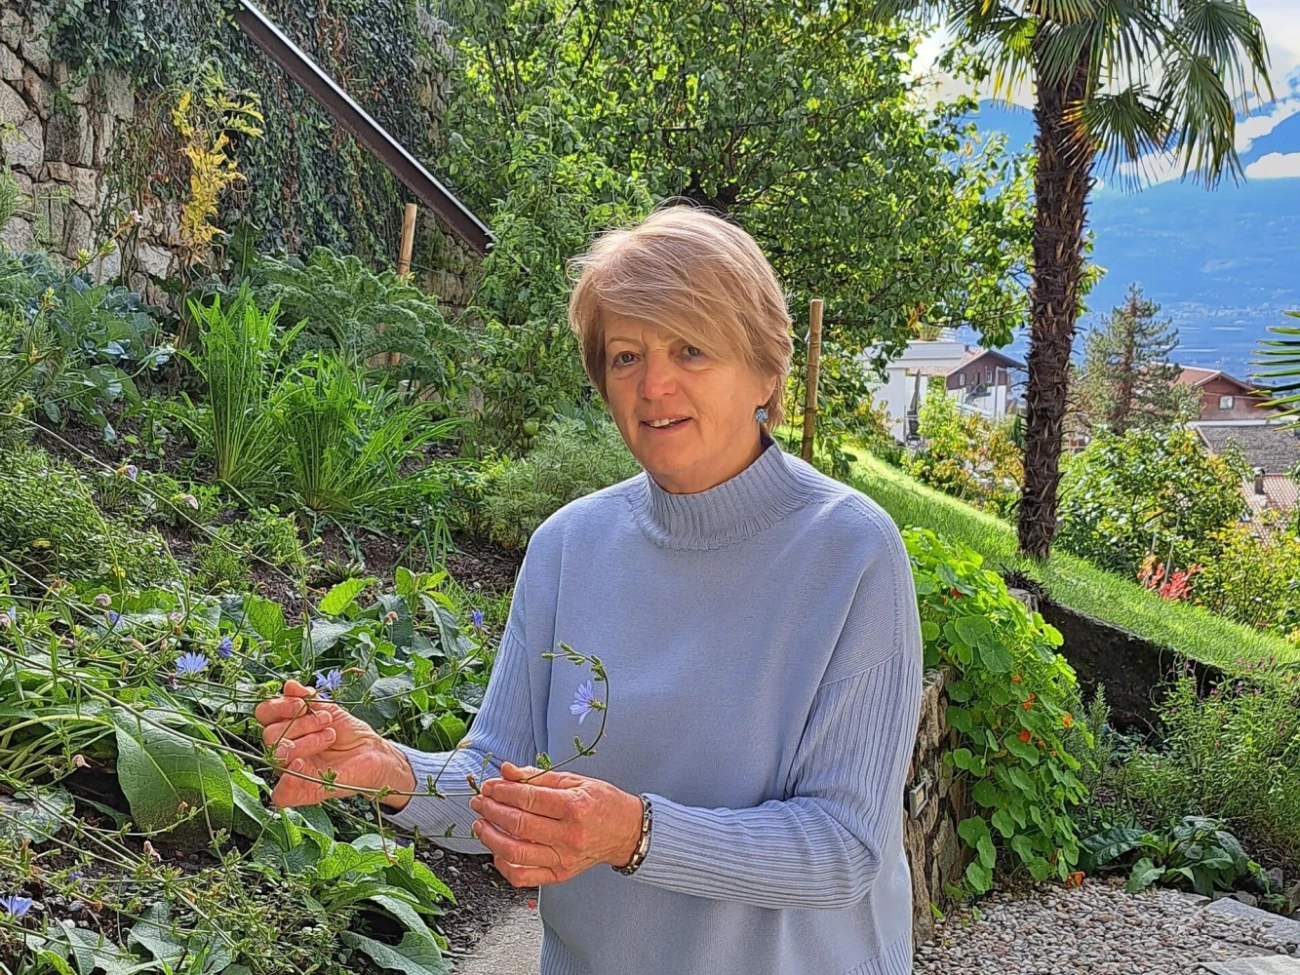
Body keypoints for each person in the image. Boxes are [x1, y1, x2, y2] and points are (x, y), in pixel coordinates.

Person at [255, 206, 923, 975]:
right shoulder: (568, 546)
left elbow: (843, 848)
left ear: (766, 371)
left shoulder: (851, 552)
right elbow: (499, 780)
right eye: (627, 355)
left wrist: (632, 832)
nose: (655, 384)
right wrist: (391, 767)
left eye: (691, 348)